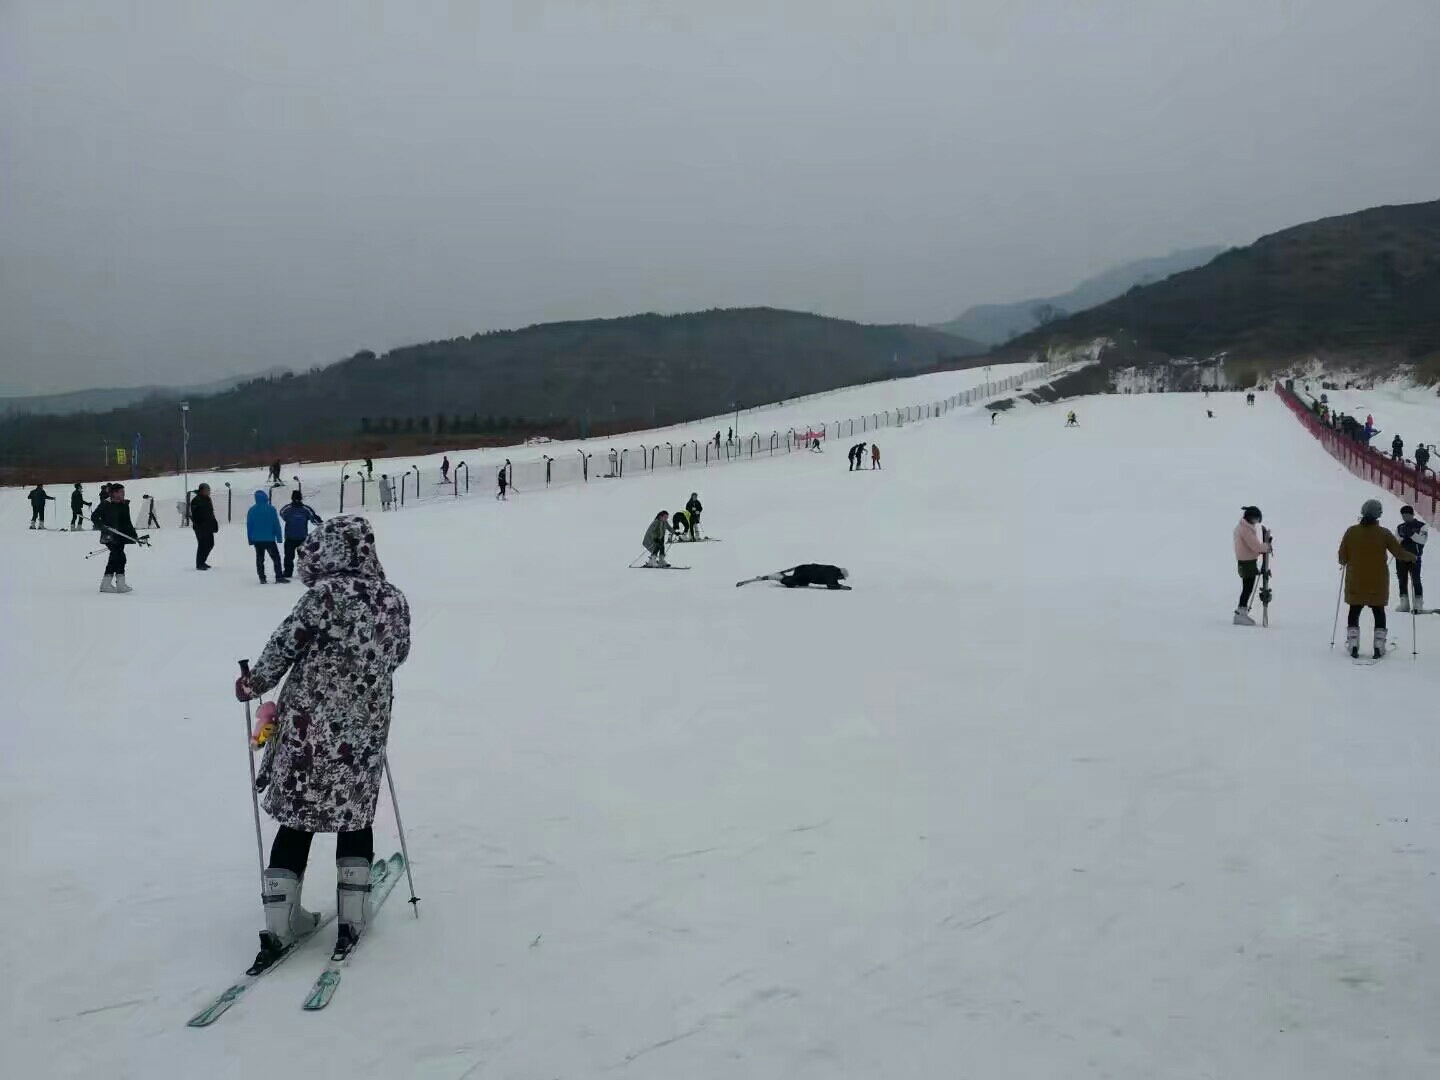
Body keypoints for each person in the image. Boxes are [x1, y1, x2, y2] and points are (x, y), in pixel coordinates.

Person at [234, 515, 411, 967]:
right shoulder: (393, 600)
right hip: (364, 726)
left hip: (307, 728)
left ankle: (280, 921)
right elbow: (399, 654)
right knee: (354, 811)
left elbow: (283, 646)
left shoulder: (323, 597)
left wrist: (253, 685)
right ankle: (352, 913)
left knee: (297, 815)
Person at [1338, 498, 1415, 659]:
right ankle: (1379, 645)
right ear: (1378, 514)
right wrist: (1412, 557)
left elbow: (1342, 557)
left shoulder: (1351, 532)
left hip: (1355, 579)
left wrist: (1347, 560)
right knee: (1378, 611)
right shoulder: (1384, 533)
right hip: (1378, 580)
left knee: (1354, 609)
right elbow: (1399, 553)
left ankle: (1353, 643)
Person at [96, 483, 141, 593]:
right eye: (121, 492)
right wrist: (102, 526)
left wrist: (134, 536)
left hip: (120, 535)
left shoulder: (124, 505)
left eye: (123, 492)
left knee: (116, 557)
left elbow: (127, 522)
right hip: (109, 536)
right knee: (119, 556)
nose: (123, 494)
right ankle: (116, 584)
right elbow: (95, 517)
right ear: (114, 493)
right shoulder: (105, 504)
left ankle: (109, 583)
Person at [1232, 506, 1272, 626]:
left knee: (1247, 587)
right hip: (1247, 562)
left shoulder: (1243, 527)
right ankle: (1240, 612)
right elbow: (1256, 546)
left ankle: (1241, 612)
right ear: (1250, 518)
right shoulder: (1245, 530)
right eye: (1255, 519)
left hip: (1246, 561)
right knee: (1247, 588)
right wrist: (1266, 546)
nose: (1256, 522)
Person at [280, 490, 323, 582]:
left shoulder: (287, 509)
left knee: (289, 556)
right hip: (300, 537)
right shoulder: (305, 509)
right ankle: (303, 572)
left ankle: (288, 572)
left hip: (292, 537)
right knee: (302, 556)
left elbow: (282, 515)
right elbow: (314, 519)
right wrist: (322, 525)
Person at [247, 490, 285, 583]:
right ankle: (279, 577)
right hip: (269, 539)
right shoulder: (271, 509)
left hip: (257, 540)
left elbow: (249, 526)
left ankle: (262, 578)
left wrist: (250, 539)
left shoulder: (252, 510)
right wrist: (279, 537)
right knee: (276, 558)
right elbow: (276, 524)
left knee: (260, 559)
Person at [1396, 504, 1428, 613]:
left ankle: (1418, 602)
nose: (1405, 518)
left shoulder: (1421, 526)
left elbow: (1422, 540)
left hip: (1415, 557)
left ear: (1412, 515)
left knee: (1416, 579)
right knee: (1402, 579)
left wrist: (1412, 534)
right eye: (1403, 516)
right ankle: (1404, 603)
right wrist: (1402, 538)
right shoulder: (1400, 527)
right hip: (1401, 557)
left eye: (1407, 515)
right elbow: (1396, 541)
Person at [190, 483, 219, 570]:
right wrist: (199, 524)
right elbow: (195, 515)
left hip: (209, 526)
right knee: (202, 544)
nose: (209, 492)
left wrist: (214, 523)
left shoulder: (207, 499)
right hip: (200, 527)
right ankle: (199, 564)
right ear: (202, 490)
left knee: (210, 543)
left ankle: (203, 561)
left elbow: (210, 512)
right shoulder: (196, 500)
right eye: (207, 490)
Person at [769, 564, 851, 590]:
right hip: (805, 571)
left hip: (808, 573)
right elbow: (831, 585)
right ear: (840, 574)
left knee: (802, 584)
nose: (840, 579)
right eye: (842, 578)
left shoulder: (833, 570)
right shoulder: (833, 572)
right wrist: (842, 587)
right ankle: (778, 577)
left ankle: (782, 577)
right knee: (791, 583)